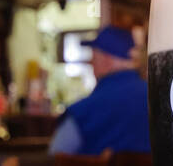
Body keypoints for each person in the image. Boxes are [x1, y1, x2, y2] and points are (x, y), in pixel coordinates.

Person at [49, 26, 149, 155]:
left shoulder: (84, 111)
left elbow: (55, 158)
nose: (90, 63)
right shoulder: (158, 98)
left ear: (106, 61)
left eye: (94, 57)